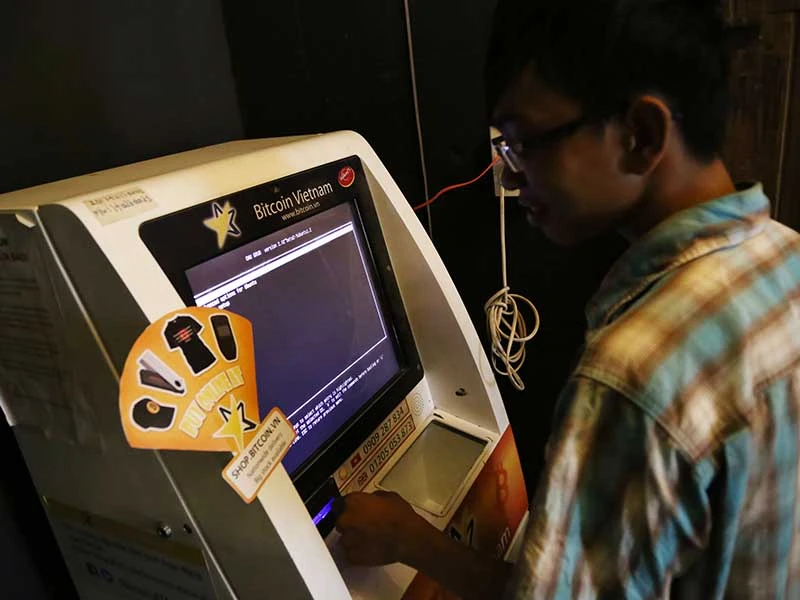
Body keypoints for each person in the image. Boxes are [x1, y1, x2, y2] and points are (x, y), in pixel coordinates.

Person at [335, 0, 800, 598]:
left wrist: (412, 541)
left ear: (641, 134)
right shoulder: (783, 254)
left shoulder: (634, 374)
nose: (510, 176)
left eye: (525, 143)